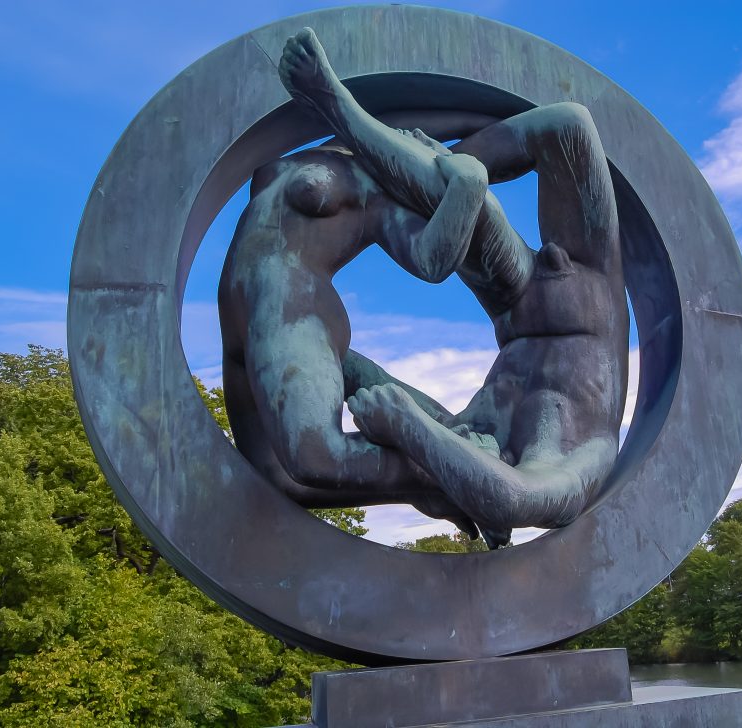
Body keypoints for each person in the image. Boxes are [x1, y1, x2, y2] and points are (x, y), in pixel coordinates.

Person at [219, 27, 627, 546]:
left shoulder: (485, 436)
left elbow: (507, 497)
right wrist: (413, 430)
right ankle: (364, 120)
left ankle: (416, 154)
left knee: (306, 453)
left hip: (513, 308)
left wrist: (416, 429)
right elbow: (513, 499)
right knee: (563, 128)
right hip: (575, 286)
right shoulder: (580, 447)